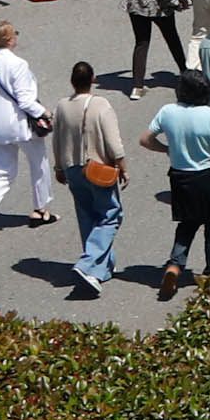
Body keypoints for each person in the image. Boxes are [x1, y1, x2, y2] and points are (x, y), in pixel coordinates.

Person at [142, 71, 210, 292]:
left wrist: (168, 149)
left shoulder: (167, 111)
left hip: (180, 177)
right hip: (208, 176)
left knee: (187, 222)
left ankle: (175, 264)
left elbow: (145, 139)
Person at [55, 58, 130, 298]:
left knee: (86, 215)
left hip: (72, 168)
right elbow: (113, 142)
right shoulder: (100, 105)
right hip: (97, 167)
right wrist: (123, 167)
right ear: (93, 80)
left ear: (72, 82)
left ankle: (102, 268)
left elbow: (57, 139)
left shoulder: (62, 106)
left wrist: (58, 167)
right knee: (110, 216)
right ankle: (88, 265)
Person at [0, 18, 50, 231]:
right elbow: (25, 100)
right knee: (39, 164)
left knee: (3, 172)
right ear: (9, 40)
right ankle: (40, 209)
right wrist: (44, 112)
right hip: (20, 125)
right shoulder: (18, 64)